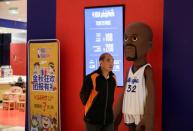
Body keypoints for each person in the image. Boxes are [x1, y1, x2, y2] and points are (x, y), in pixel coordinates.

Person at [114, 22, 155, 131]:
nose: (128, 43)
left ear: (148, 46)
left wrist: (149, 116)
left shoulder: (146, 70)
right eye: (126, 38)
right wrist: (116, 114)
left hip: (140, 114)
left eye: (134, 38)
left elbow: (151, 95)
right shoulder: (129, 71)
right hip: (128, 112)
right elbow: (124, 93)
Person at [80, 53, 117, 131]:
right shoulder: (92, 77)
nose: (111, 63)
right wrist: (92, 111)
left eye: (112, 61)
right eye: (108, 60)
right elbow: (83, 96)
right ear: (101, 62)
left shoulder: (113, 78)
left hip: (108, 120)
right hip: (93, 121)